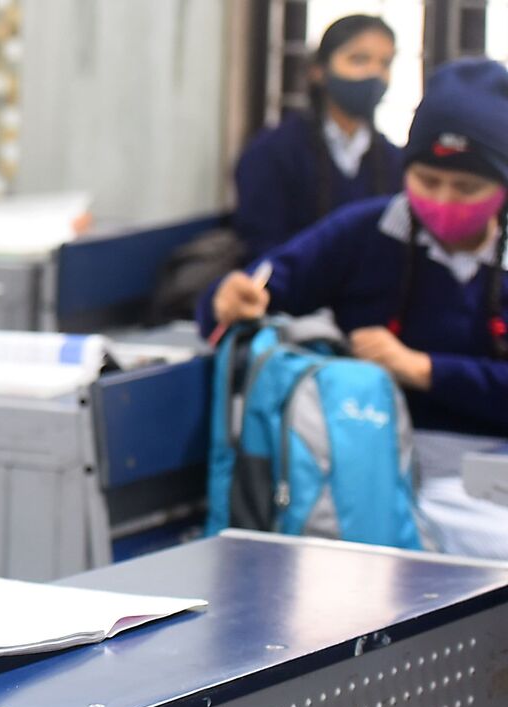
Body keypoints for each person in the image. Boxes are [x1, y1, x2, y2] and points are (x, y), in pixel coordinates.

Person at [203, 59, 508, 557]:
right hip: (375, 464)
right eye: (427, 180)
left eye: (467, 188)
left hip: (489, 473)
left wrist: (424, 370)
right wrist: (227, 299)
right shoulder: (365, 232)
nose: (444, 200)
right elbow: (262, 289)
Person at [233, 14, 404, 263]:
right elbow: (261, 247)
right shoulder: (271, 153)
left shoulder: (395, 161)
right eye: (359, 59)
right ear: (319, 71)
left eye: (385, 63)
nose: (374, 74)